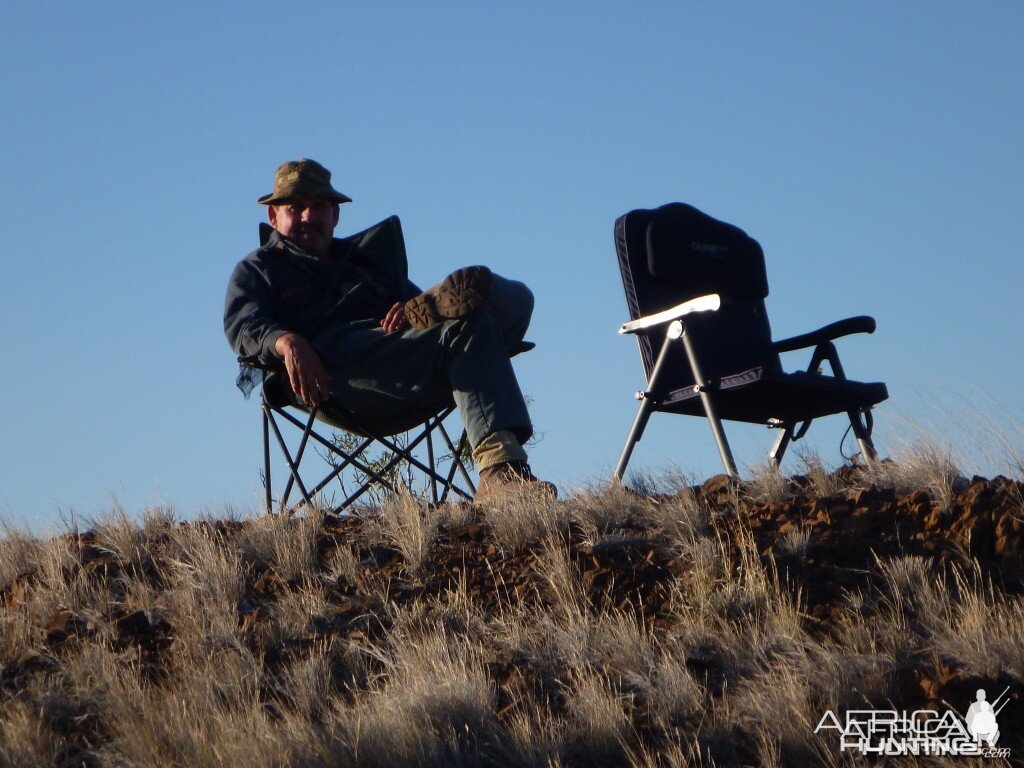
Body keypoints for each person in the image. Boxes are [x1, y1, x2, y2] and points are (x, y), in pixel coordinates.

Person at [224, 158, 553, 501]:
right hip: (331, 376)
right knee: (471, 332)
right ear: (273, 216)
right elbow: (243, 326)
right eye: (295, 208)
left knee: (497, 311)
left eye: (318, 207)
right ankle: (501, 470)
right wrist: (287, 341)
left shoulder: (365, 263)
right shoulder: (257, 269)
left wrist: (412, 313)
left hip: (395, 358)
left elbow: (435, 319)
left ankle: (503, 472)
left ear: (335, 215)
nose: (308, 217)